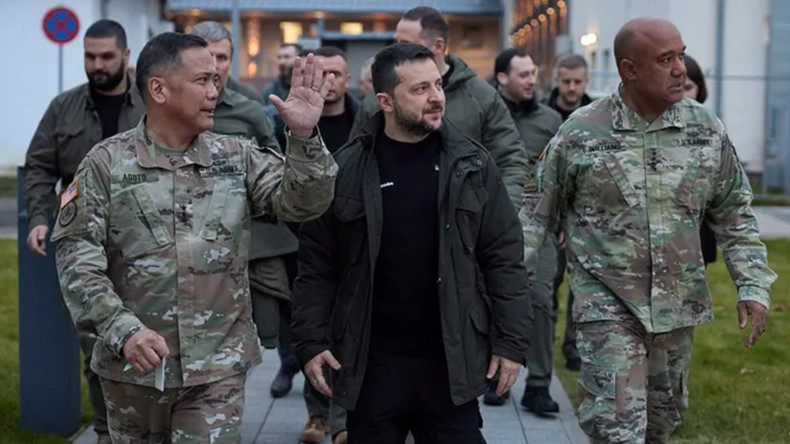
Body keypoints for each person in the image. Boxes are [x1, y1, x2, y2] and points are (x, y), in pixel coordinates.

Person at [50, 32, 338, 442]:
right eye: (202, 80)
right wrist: (121, 329)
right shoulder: (106, 165)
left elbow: (304, 204)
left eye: (216, 80)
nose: (214, 91)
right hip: (134, 367)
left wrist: (305, 138)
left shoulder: (235, 157)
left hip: (216, 368)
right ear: (159, 89)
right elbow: (77, 260)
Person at [520, 18, 776, 443]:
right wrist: (506, 287)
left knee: (660, 425)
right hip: (607, 304)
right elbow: (534, 212)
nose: (680, 69)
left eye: (681, 56)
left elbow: (734, 213)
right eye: (665, 59)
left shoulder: (706, 130)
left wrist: (751, 283)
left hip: (676, 308)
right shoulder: (581, 132)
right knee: (617, 429)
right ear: (629, 69)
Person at [292, 42, 532, 444]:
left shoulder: (472, 165)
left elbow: (504, 258)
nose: (436, 97)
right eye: (420, 89)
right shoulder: (347, 169)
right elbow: (317, 266)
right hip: (373, 364)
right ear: (385, 101)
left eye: (437, 85)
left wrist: (511, 342)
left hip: (450, 360)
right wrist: (310, 341)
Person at [22, 19, 144, 443]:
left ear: (125, 56)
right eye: (90, 56)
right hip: (83, 242)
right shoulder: (64, 108)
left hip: (143, 242)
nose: (97, 65)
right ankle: (107, 431)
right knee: (96, 339)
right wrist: (40, 218)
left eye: (106, 56)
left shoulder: (151, 101)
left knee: (146, 336)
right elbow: (39, 167)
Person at [190, 22, 300, 388]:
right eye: (207, 56)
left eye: (222, 58)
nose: (215, 66)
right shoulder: (168, 106)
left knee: (269, 319)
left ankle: (288, 368)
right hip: (184, 244)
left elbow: (274, 170)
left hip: (246, 243)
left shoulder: (250, 108)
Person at [268, 45, 359, 444]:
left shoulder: (365, 122)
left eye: (337, 73)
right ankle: (318, 414)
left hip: (352, 237)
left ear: (348, 79)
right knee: (310, 325)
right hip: (301, 236)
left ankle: (343, 419)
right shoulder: (288, 121)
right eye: (323, 73)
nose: (330, 81)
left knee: (349, 326)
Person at [349, 6, 528, 208]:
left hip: (464, 218)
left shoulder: (482, 97)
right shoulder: (378, 101)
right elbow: (355, 164)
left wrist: (498, 215)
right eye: (395, 41)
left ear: (438, 45)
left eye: (405, 43)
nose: (397, 49)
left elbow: (511, 161)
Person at [485, 48, 562, 415]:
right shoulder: (485, 114)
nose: (532, 80)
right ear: (502, 78)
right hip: (490, 224)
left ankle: (538, 384)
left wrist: (564, 221)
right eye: (523, 74)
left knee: (540, 299)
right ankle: (495, 377)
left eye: (533, 73)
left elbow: (565, 173)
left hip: (540, 224)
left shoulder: (550, 120)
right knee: (488, 298)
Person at [542, 53, 595, 372]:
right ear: (556, 80)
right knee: (547, 284)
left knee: (582, 289)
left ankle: (573, 347)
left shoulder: (596, 117)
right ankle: (542, 342)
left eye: (577, 81)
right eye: (566, 81)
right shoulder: (542, 114)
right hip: (550, 216)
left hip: (586, 219)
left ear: (586, 81)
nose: (572, 88)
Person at [683, 54, 718, 268]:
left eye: (688, 87)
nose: (682, 94)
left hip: (698, 224)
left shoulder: (711, 129)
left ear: (699, 89)